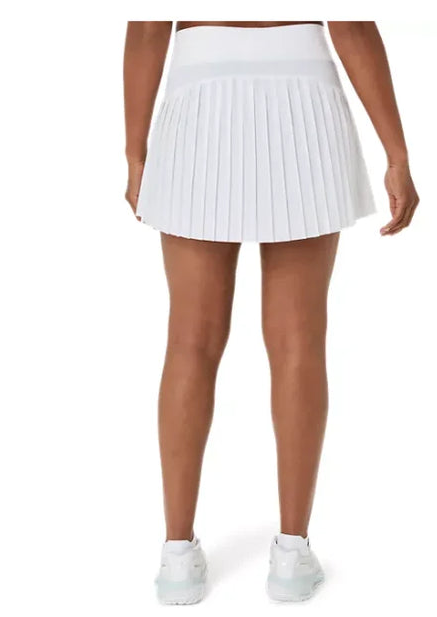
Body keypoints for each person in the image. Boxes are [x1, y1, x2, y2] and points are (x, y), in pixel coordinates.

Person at [123, 20, 419, 604]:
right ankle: (291, 554)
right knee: (298, 341)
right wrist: (397, 152)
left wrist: (135, 152)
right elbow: (351, 24)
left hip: (199, 94)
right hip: (304, 96)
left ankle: (177, 556)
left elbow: (149, 26)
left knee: (190, 341)